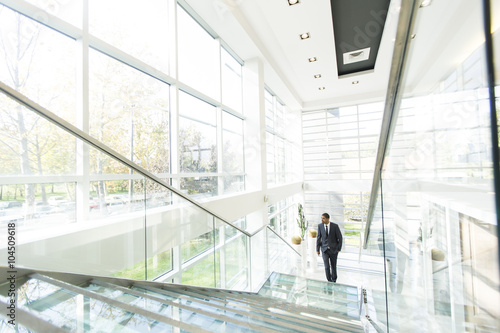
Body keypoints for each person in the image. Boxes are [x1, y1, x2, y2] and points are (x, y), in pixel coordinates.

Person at [316, 213, 342, 282]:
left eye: (323, 218)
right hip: (324, 250)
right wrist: (317, 249)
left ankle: (334, 280)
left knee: (333, 266)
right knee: (327, 267)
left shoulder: (335, 226)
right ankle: (329, 280)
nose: (322, 220)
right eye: (321, 218)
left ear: (327, 219)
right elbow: (318, 238)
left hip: (334, 250)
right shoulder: (320, 226)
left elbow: (340, 238)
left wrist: (338, 249)